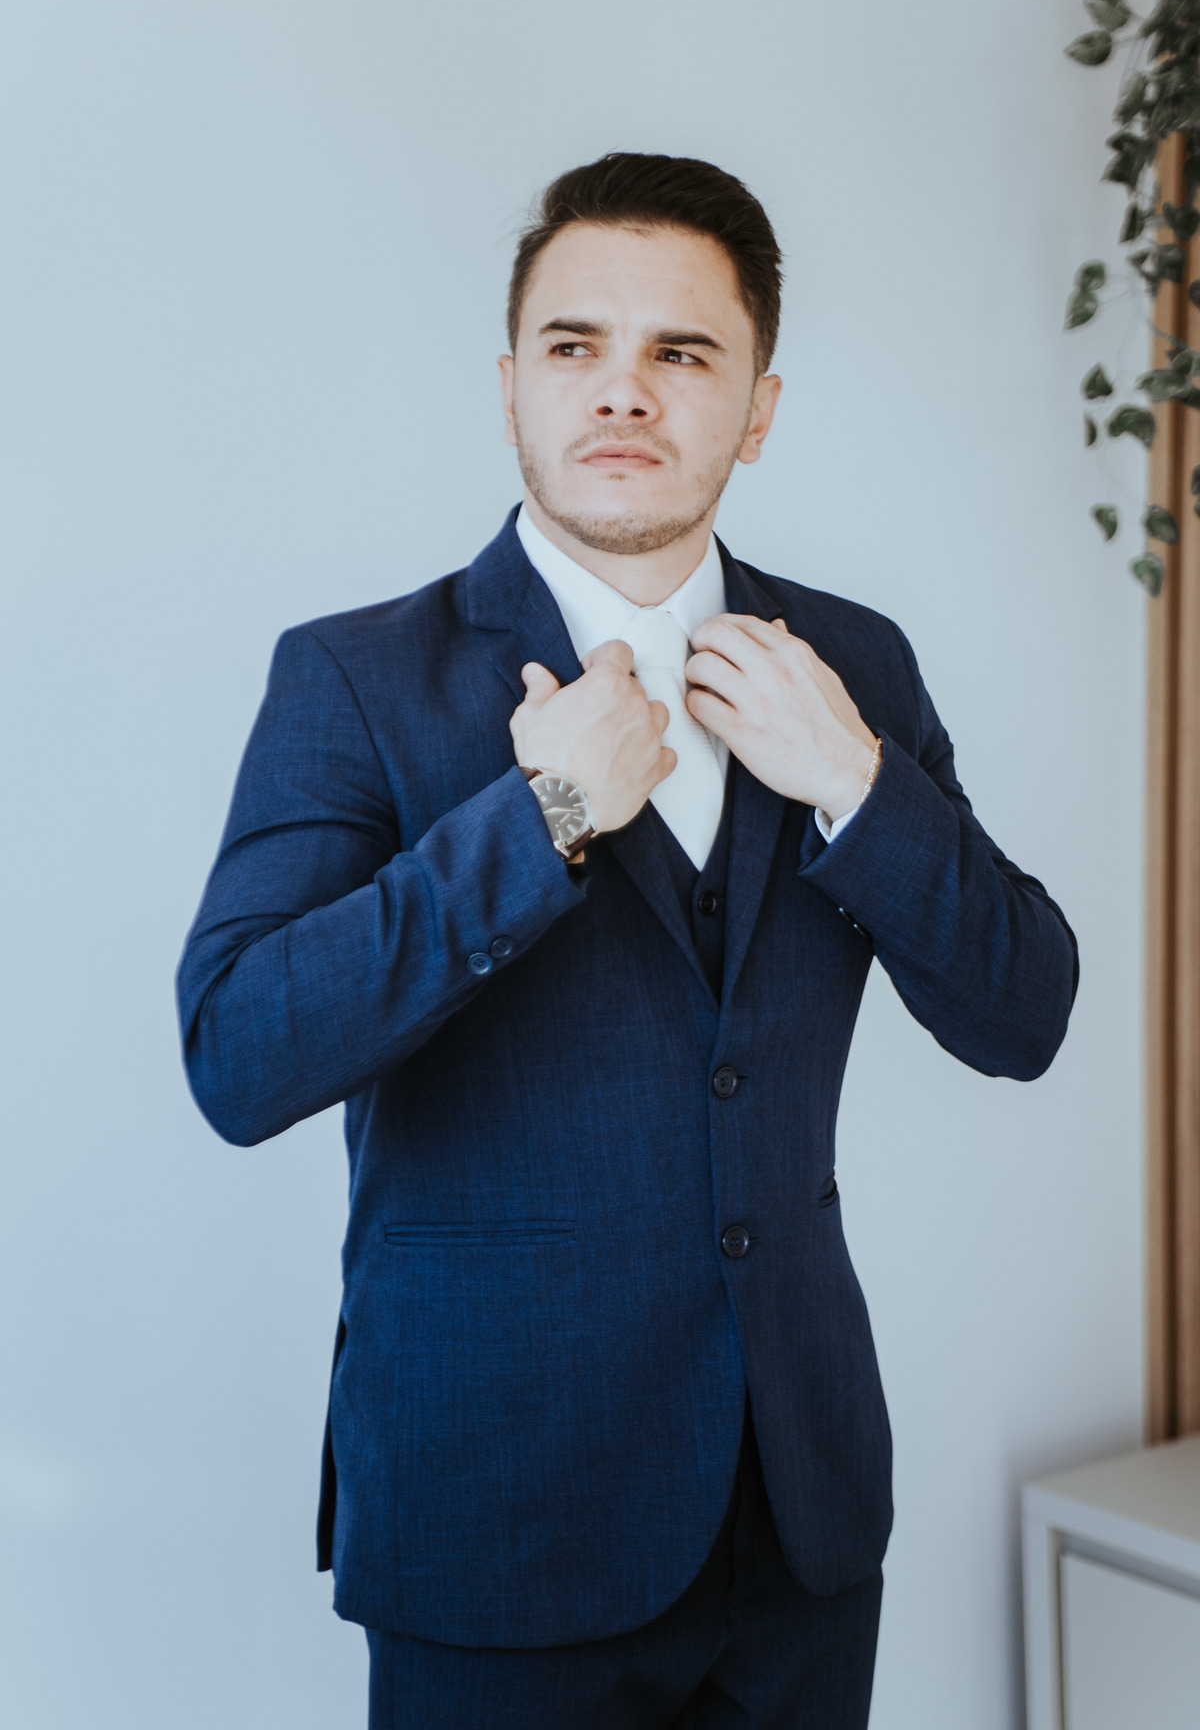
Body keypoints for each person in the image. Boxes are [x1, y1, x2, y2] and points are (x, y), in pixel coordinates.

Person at [177, 152, 1078, 1729]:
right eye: (576, 345)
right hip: (497, 1527)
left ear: (759, 408)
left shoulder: (852, 665)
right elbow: (240, 1054)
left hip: (798, 1525)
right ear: (511, 387)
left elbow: (1024, 1011)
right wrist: (540, 821)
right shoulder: (356, 679)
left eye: (683, 352)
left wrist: (859, 782)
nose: (624, 392)